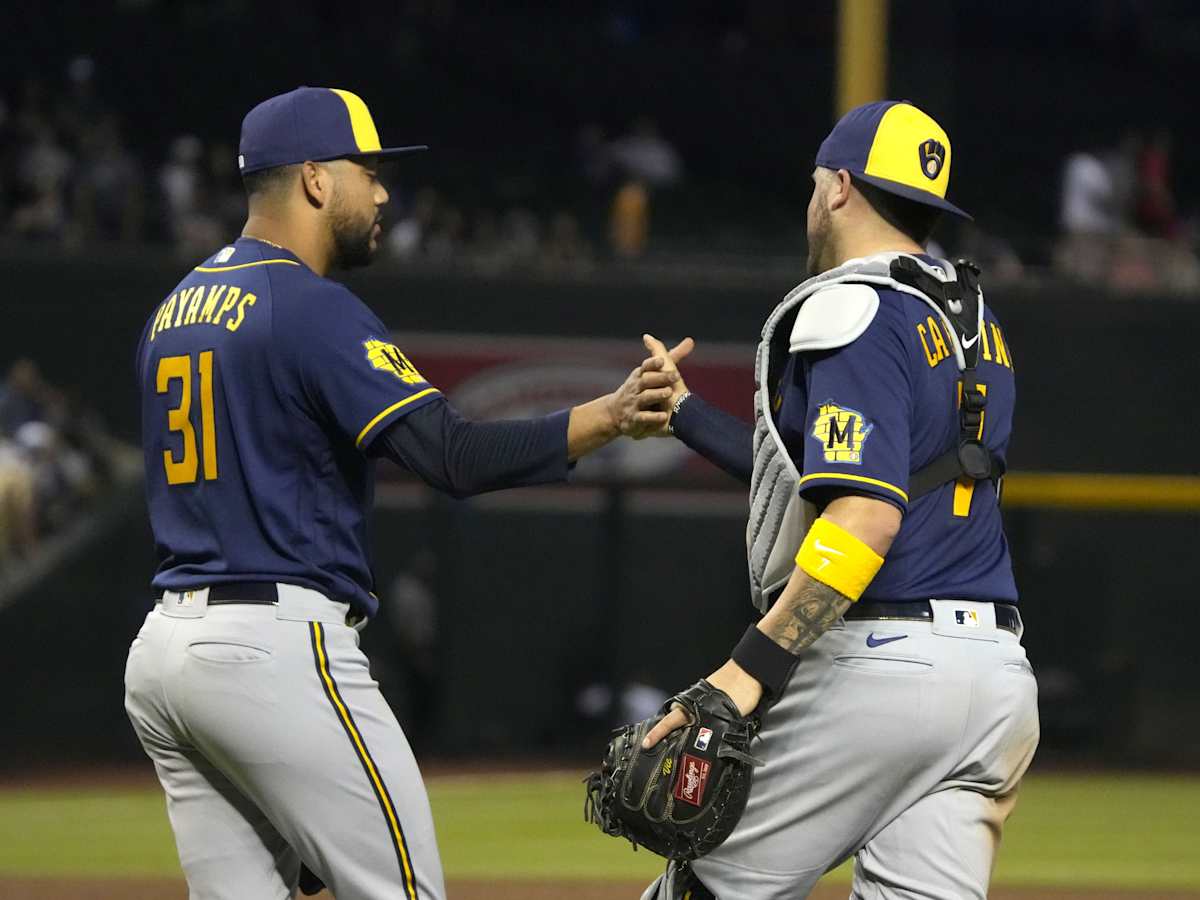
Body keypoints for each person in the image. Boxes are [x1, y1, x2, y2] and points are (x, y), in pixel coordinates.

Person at [123, 86, 686, 900]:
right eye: (368, 170)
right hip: (275, 648)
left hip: (167, 654)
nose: (383, 192)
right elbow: (451, 456)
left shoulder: (172, 311)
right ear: (316, 179)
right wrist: (609, 414)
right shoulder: (308, 306)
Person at [631, 100, 1039, 899]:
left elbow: (864, 515)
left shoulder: (853, 309)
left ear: (840, 187)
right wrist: (686, 414)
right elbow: (846, 478)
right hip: (995, 682)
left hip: (882, 667)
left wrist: (745, 673)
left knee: (698, 892)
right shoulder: (973, 322)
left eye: (817, 183)